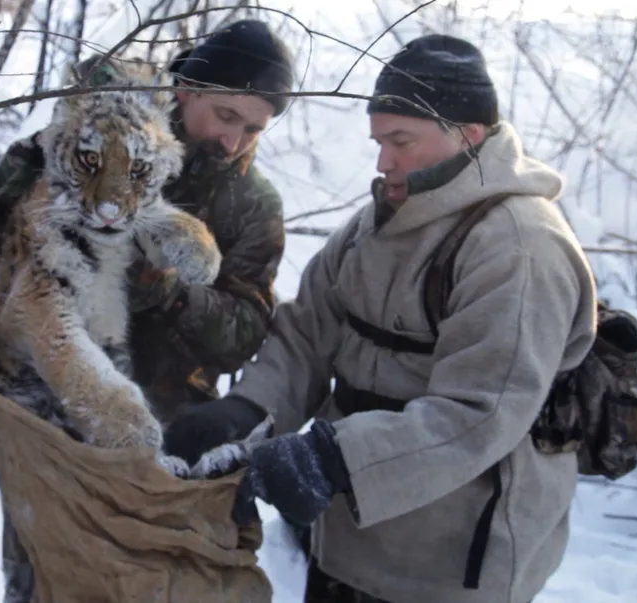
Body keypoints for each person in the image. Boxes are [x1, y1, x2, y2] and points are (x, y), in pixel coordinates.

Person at [163, 34, 599, 603]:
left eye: (401, 141)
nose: (382, 161)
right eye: (378, 141)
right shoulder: (375, 223)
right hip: (347, 538)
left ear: (468, 134)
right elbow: (306, 336)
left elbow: (480, 412)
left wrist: (332, 457)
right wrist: (246, 410)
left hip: (446, 564)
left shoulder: (518, 247)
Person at [0, 19, 293, 423]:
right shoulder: (102, 129)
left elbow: (243, 336)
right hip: (43, 394)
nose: (234, 142)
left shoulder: (255, 204)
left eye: (252, 130)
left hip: (164, 414)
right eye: (225, 116)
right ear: (186, 91)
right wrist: (45, 145)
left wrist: (166, 288)